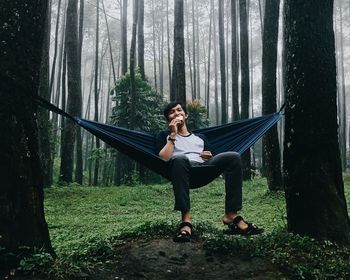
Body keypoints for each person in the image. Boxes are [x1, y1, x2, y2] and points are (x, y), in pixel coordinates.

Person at [155, 102, 264, 242]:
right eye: (172, 112)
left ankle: (231, 214)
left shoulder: (200, 138)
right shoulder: (163, 135)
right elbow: (163, 158)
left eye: (179, 110)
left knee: (233, 156)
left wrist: (209, 157)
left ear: (186, 115)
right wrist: (173, 134)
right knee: (180, 158)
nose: (176, 113)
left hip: (203, 169)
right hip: (180, 169)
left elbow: (210, 158)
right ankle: (186, 220)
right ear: (168, 119)